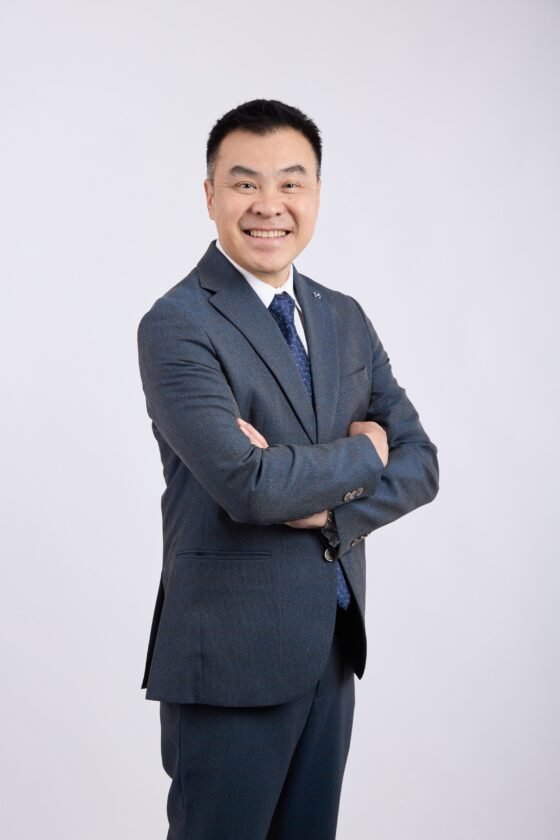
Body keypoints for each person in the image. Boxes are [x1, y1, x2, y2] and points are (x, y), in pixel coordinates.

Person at [137, 98, 439, 840]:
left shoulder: (343, 317)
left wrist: (328, 507)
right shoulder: (178, 324)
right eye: (245, 183)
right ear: (210, 195)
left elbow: (422, 463)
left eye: (290, 183)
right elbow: (249, 486)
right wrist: (367, 452)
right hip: (230, 661)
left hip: (331, 648)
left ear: (316, 194)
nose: (269, 205)